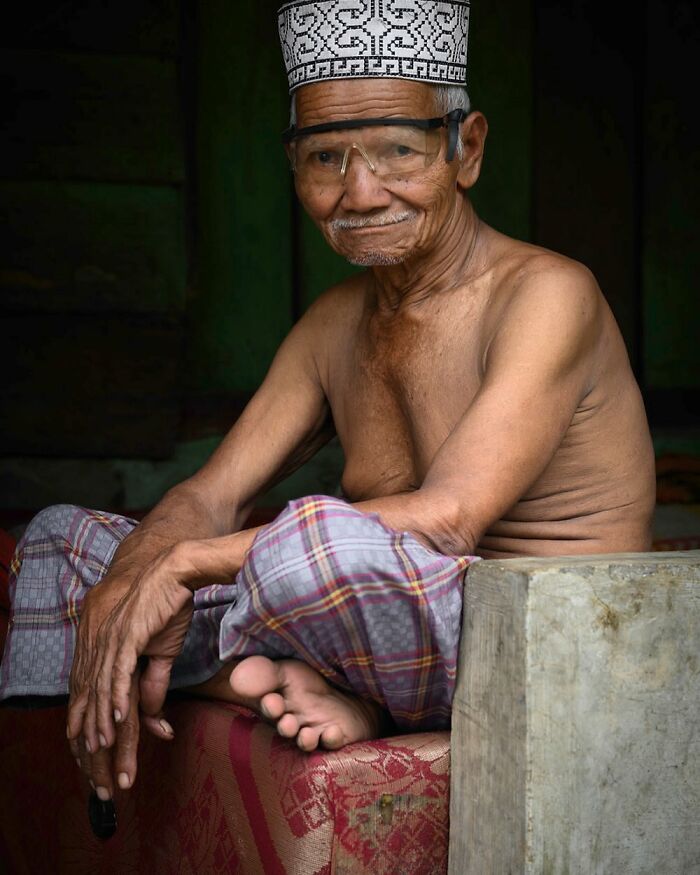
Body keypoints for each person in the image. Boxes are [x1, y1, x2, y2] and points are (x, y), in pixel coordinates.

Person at [0, 1, 655, 806]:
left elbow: (450, 518)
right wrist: (132, 581)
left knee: (310, 537)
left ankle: (253, 678)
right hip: (373, 623)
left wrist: (186, 565)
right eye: (326, 158)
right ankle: (292, 681)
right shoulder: (335, 322)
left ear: (466, 149)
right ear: (294, 165)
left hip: (536, 636)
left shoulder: (549, 294)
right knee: (66, 543)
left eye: (398, 154)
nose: (360, 192)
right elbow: (211, 493)